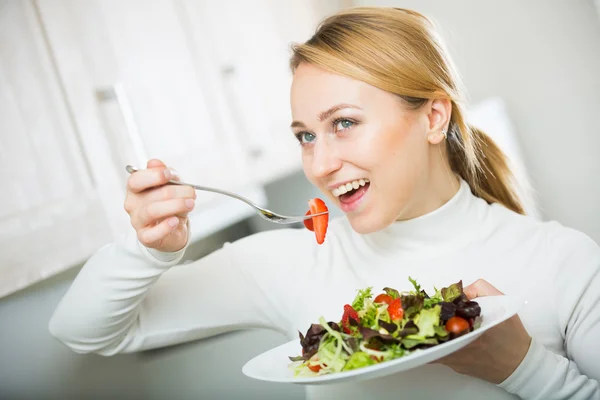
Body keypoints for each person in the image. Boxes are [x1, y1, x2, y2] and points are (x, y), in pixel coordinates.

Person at [48, 7, 600, 400]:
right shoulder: (292, 260)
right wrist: (148, 249)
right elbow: (83, 330)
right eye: (305, 135)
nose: (319, 164)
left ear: (434, 117)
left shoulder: (564, 264)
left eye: (343, 124)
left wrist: (522, 368)